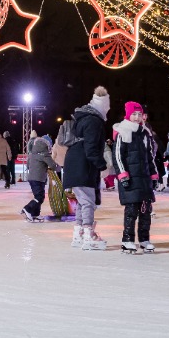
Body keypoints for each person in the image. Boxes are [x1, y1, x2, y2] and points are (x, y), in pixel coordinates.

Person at [63, 86, 111, 250]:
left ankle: (79, 233)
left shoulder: (84, 118)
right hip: (82, 165)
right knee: (88, 202)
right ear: (103, 106)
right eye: (107, 106)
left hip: (75, 164)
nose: (108, 110)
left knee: (82, 201)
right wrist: (102, 166)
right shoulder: (93, 121)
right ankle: (88, 234)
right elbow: (91, 148)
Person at [113, 102, 156, 254]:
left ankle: (144, 240)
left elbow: (150, 157)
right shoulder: (122, 131)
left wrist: (153, 175)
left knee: (146, 211)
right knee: (131, 211)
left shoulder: (145, 133)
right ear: (128, 115)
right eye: (134, 114)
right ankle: (127, 240)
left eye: (139, 114)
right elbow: (118, 156)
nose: (137, 117)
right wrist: (122, 175)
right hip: (130, 179)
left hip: (144, 179)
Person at [22, 135, 56, 221]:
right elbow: (53, 166)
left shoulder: (32, 154)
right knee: (40, 197)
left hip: (31, 178)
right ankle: (27, 208)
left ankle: (35, 214)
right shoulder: (45, 154)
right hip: (39, 179)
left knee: (37, 196)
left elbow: (28, 166)